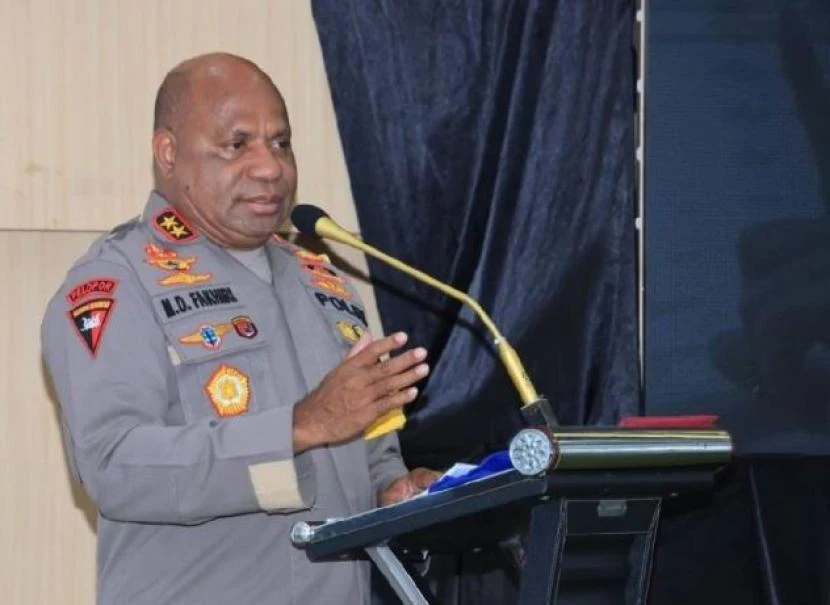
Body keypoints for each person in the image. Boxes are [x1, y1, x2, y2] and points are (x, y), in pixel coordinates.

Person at [41, 52, 440, 605]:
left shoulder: (325, 283)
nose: (270, 167)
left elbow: (369, 450)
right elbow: (114, 464)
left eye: (281, 143)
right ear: (169, 153)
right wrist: (297, 428)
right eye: (237, 144)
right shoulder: (117, 281)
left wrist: (394, 489)